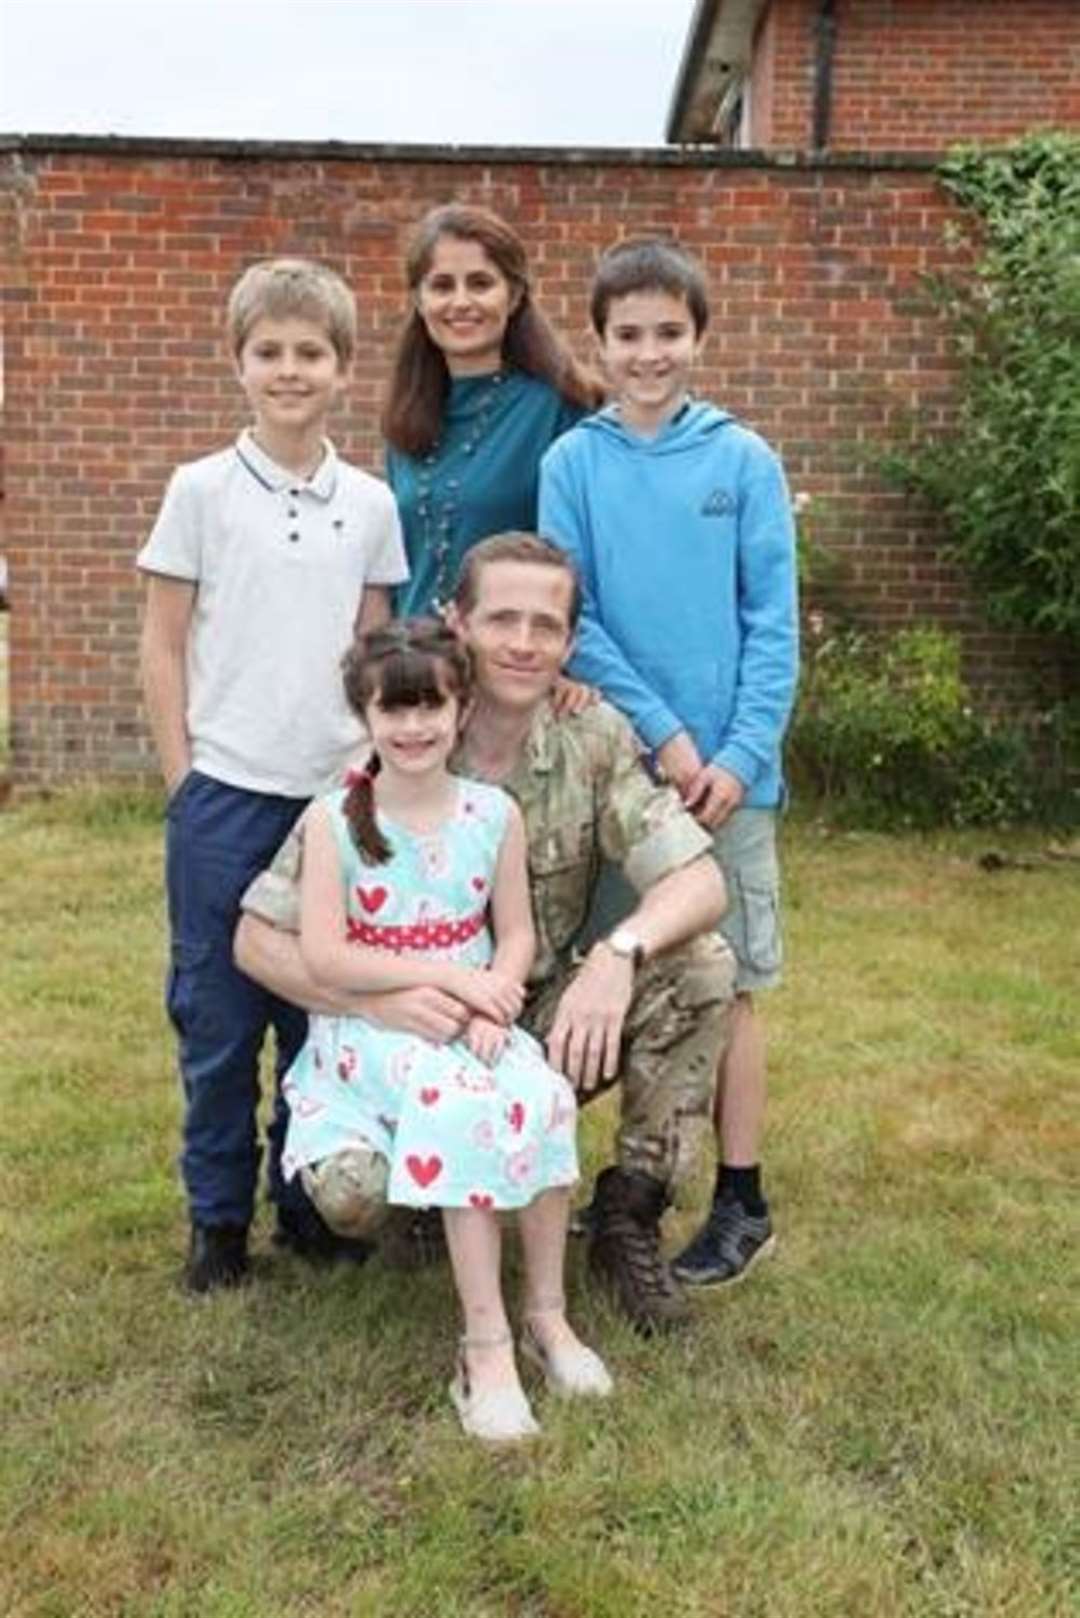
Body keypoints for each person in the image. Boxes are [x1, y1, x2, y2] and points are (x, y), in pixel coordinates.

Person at [235, 534, 735, 1334]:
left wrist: (616, 954)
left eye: (547, 625)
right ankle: (433, 1195)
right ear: (455, 621)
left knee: (702, 965)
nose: (525, 643)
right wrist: (381, 1006)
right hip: (414, 1034)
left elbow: (701, 880)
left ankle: (626, 1220)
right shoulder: (403, 731)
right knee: (352, 1198)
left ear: (572, 642)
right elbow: (258, 940)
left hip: (531, 1024)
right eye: (502, 618)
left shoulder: (592, 737)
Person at [137, 257, 408, 1294]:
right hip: (225, 793)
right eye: (269, 353)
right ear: (239, 364)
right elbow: (164, 644)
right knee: (217, 1015)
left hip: (331, 803)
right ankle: (217, 1220)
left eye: (311, 352)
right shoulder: (200, 491)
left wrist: (364, 778)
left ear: (342, 367)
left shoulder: (370, 503)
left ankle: (310, 1204)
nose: (289, 370)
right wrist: (183, 777)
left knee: (321, 1011)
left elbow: (371, 650)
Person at [538, 238, 799, 1291]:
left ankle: (741, 1198)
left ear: (699, 335)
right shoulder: (575, 465)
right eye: (627, 335)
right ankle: (579, 1185)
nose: (649, 353)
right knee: (605, 976)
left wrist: (736, 752)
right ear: (598, 342)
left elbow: (771, 623)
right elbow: (575, 620)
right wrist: (664, 734)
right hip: (620, 771)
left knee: (726, 984)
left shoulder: (744, 461)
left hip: (728, 781)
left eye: (669, 332)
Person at [281, 616, 611, 1442]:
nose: (415, 726)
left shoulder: (491, 814)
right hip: (375, 1032)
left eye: (432, 707)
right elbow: (325, 953)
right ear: (365, 717)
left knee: (539, 1094)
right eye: (394, 711)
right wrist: (448, 980)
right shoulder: (332, 822)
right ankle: (484, 1345)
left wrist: (496, 989)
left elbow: (520, 933)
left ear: (462, 708)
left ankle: (546, 1315)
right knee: (463, 1107)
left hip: (474, 1018)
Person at [383, 203, 598, 618]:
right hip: (418, 669)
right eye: (442, 286)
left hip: (511, 666)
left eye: (480, 283)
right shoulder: (405, 418)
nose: (460, 302)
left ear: (515, 295)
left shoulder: (562, 410)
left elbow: (586, 563)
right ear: (418, 299)